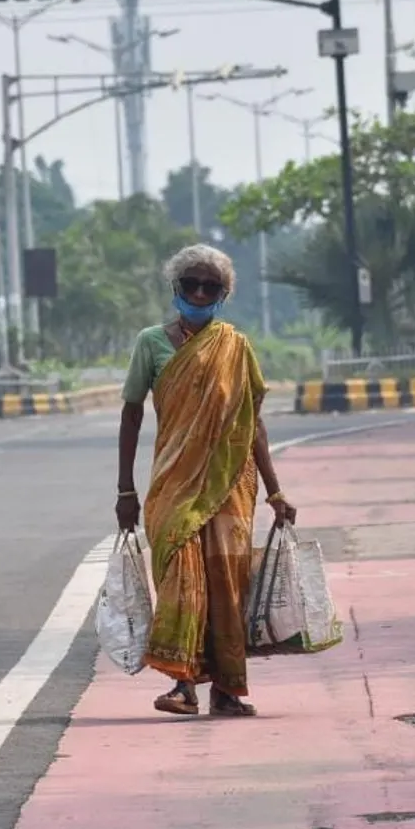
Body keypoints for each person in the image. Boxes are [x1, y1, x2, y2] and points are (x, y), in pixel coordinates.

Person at [115, 244, 298, 717]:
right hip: (172, 486)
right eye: (190, 285)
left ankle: (227, 690)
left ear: (225, 293)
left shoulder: (235, 347)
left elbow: (252, 422)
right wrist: (125, 490)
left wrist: (276, 491)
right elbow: (132, 413)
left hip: (229, 487)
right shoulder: (151, 343)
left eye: (210, 286)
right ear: (175, 288)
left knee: (226, 584)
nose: (199, 292)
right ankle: (182, 685)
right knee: (182, 579)